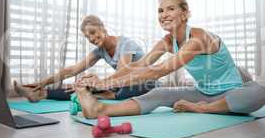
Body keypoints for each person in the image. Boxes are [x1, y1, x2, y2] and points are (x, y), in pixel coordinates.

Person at [73, 0, 265, 119]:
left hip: (231, 92)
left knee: (263, 89)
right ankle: (100, 110)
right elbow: (139, 66)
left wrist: (104, 85)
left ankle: (203, 109)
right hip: (202, 92)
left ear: (185, 13)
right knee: (159, 93)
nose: (164, 14)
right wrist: (100, 81)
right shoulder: (168, 41)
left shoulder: (198, 38)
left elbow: (157, 71)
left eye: (171, 8)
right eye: (160, 10)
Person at [14, 15, 158, 102]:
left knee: (92, 86)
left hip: (145, 84)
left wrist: (97, 83)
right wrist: (42, 82)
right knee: (83, 85)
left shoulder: (126, 43)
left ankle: (105, 95)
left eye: (93, 33)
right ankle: (40, 93)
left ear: (103, 28)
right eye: (87, 37)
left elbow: (122, 73)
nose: (92, 38)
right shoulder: (100, 51)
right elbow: (72, 70)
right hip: (122, 85)